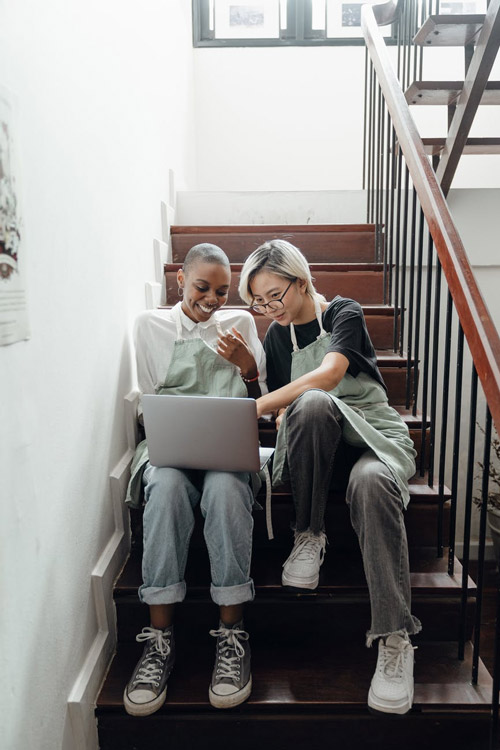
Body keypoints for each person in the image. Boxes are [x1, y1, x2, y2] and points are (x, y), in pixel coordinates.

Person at [238, 239, 421, 716]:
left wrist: (262, 406)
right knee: (311, 408)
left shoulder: (344, 312)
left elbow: (330, 374)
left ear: (301, 281)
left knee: (371, 482)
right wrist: (283, 413)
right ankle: (309, 535)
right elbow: (292, 405)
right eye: (256, 301)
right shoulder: (277, 338)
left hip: (371, 436)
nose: (266, 309)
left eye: (274, 296)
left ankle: (395, 637)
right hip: (322, 449)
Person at [124, 243, 266, 716]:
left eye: (223, 291)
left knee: (226, 489)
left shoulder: (241, 324)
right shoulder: (149, 326)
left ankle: (231, 634)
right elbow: (148, 402)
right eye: (203, 287)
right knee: (163, 488)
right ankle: (158, 639)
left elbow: (259, 401)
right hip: (171, 450)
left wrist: (248, 370)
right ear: (180, 280)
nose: (212, 299)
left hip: (226, 452)